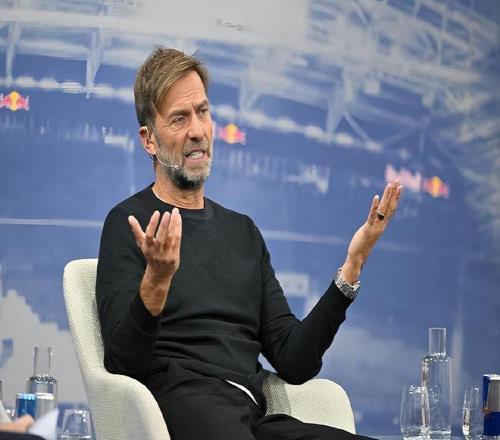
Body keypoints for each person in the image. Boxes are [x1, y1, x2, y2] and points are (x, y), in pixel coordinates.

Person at [96, 47, 402, 440]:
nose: (197, 130)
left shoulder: (243, 232)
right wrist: (156, 281)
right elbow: (121, 365)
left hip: (253, 413)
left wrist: (352, 266)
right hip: (184, 405)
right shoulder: (129, 223)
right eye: (179, 118)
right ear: (149, 140)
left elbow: (294, 360)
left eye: (203, 112)